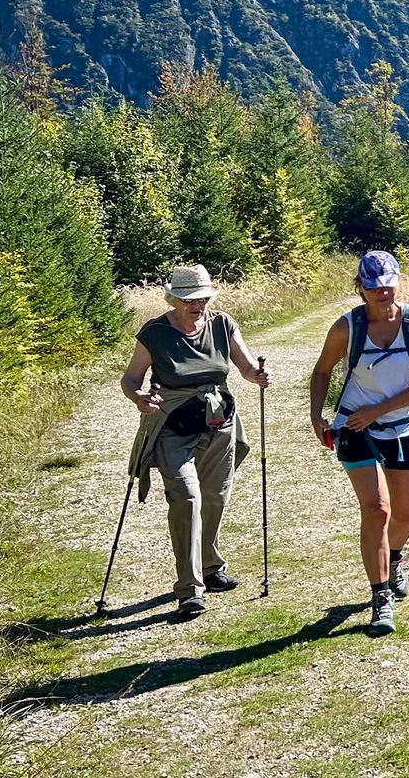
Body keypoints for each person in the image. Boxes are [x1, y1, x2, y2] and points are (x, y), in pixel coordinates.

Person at [121, 263, 272, 620]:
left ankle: (210, 567)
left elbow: (246, 367)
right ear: (173, 299)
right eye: (189, 299)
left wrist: (258, 375)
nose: (197, 305)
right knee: (187, 499)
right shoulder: (155, 332)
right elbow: (130, 379)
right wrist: (139, 398)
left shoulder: (222, 324)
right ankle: (190, 589)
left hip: (219, 424)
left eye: (202, 298)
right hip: (172, 427)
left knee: (216, 497)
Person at [308, 250, 409, 637]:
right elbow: (322, 370)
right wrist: (316, 416)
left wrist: (378, 410)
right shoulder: (346, 328)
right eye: (373, 287)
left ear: (398, 282)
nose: (382, 293)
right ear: (360, 288)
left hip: (405, 427)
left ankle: (394, 558)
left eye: (388, 285)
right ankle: (380, 595)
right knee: (377, 508)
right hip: (355, 427)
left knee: (408, 512)